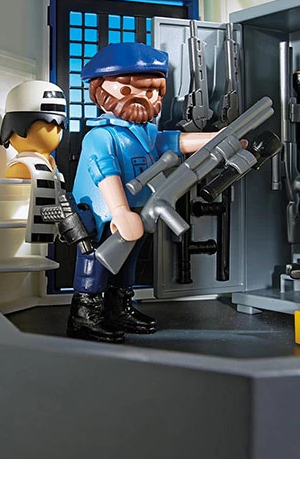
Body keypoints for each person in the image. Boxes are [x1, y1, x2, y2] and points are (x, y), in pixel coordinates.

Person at [68, 42, 222, 343]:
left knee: (128, 262)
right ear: (100, 90)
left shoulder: (147, 135)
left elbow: (179, 142)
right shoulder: (101, 135)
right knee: (96, 261)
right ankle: (85, 316)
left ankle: (119, 309)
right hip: (103, 215)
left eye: (151, 91)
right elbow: (105, 173)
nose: (141, 97)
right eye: (127, 89)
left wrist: (220, 138)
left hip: (138, 212)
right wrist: (120, 212)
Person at [0, 81, 67, 244]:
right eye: (49, 125)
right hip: (18, 233)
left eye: (59, 126)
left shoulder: (51, 165)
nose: (56, 131)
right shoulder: (24, 167)